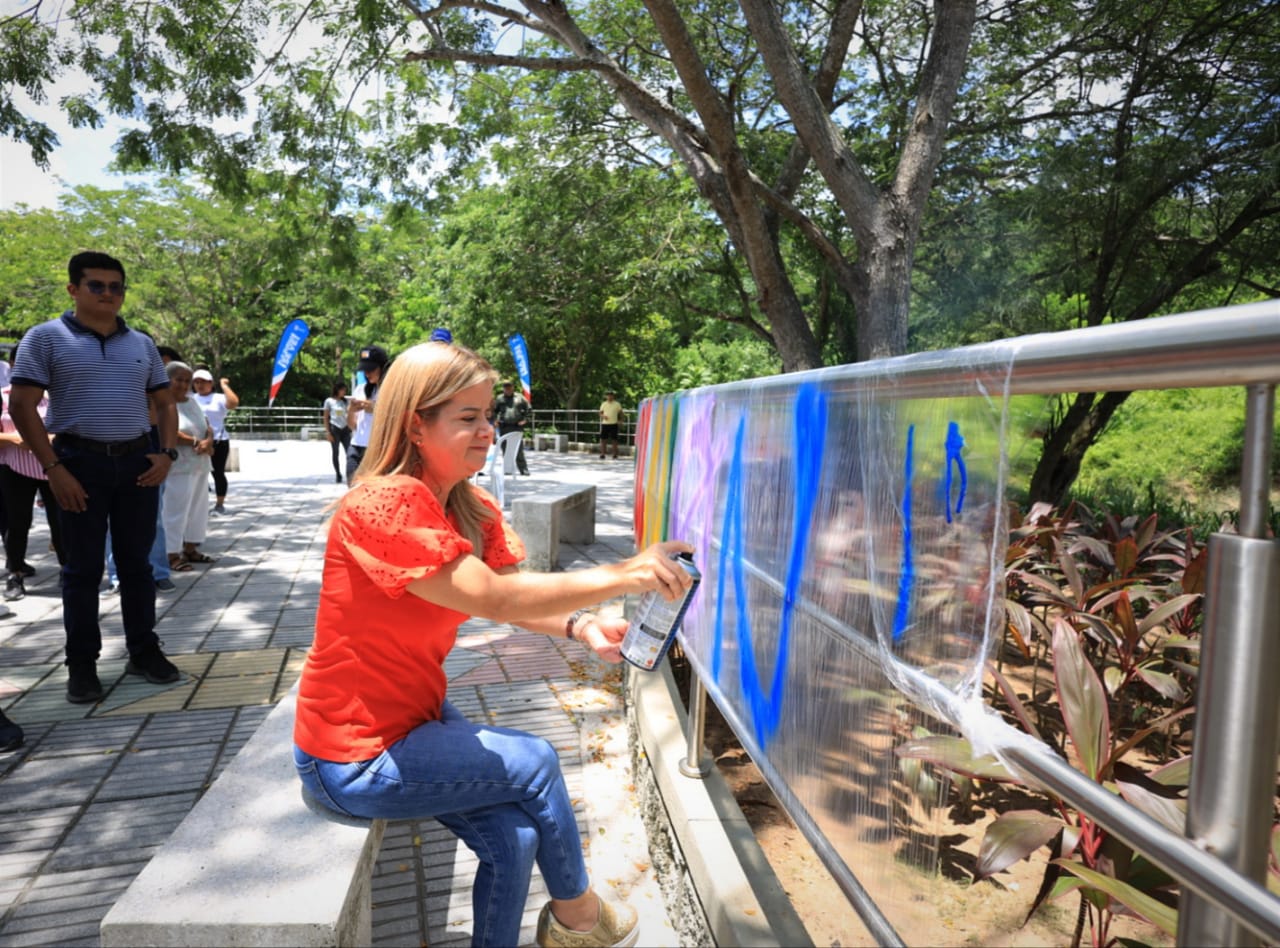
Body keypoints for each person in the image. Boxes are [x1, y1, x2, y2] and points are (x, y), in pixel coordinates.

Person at [291, 342, 692, 948]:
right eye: (467, 417)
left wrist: (581, 627)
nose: (487, 431)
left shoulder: (466, 504)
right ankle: (579, 918)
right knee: (535, 762)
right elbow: (495, 601)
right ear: (414, 425)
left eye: (489, 415)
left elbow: (509, 590)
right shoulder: (381, 503)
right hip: (351, 755)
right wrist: (628, 573)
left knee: (516, 839)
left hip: (414, 720)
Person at [9, 251, 181, 704]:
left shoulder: (141, 344)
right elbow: (22, 405)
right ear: (73, 289)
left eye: (116, 287)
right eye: (97, 285)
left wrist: (164, 454)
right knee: (82, 570)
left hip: (138, 465)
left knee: (137, 566)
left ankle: (143, 650)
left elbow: (164, 404)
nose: (108, 294)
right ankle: (81, 665)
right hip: (76, 464)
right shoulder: (44, 339)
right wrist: (53, 469)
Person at [0, 372, 65, 601]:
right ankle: (15, 574)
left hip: (53, 467)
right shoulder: (4, 396)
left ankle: (67, 571)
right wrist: (12, 439)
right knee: (17, 523)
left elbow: (72, 427)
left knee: (60, 522)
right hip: (15, 467)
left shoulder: (58, 395)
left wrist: (44, 439)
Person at [162, 362, 215, 571]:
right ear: (168, 381)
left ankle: (191, 547)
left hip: (200, 464)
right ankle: (171, 553)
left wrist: (209, 440)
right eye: (179, 380)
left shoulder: (192, 402)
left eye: (187, 380)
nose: (184, 385)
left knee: (198, 510)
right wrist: (194, 442)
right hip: (177, 466)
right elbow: (168, 430)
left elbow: (207, 425)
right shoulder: (163, 403)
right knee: (176, 510)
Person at [191, 369, 239, 514]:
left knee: (217, 473)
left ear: (211, 383)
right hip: (197, 441)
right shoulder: (191, 398)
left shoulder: (218, 397)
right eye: (197, 382)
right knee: (197, 473)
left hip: (219, 440)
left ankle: (219, 503)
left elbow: (233, 403)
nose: (200, 385)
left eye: (203, 382)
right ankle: (198, 504)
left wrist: (224, 385)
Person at [346, 344, 389, 485]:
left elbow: (398, 418)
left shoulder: (391, 390)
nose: (367, 374)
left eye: (371, 369)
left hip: (378, 450)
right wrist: (351, 410)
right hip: (356, 447)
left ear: (383, 368)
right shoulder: (360, 389)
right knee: (352, 492)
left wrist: (376, 409)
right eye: (364, 370)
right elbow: (352, 426)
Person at [493, 379, 530, 476]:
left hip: (516, 426)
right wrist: (495, 421)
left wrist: (525, 420)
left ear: (513, 387)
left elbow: (529, 409)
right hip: (504, 426)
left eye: (509, 387)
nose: (507, 389)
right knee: (505, 448)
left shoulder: (520, 398)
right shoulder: (499, 398)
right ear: (503, 388)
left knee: (519, 448)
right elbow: (494, 411)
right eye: (505, 387)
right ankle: (508, 469)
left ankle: (523, 469)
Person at [322, 382, 350, 483]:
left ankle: (350, 473)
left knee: (349, 452)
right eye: (342, 390)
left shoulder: (345, 401)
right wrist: (328, 432)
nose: (344, 392)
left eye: (345, 390)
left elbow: (350, 414)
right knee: (335, 452)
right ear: (337, 390)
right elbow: (325, 417)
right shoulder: (329, 401)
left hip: (345, 429)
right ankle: (338, 474)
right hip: (335, 429)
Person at [598, 389, 624, 460]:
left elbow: (621, 413)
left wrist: (621, 420)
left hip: (614, 424)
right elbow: (600, 413)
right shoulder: (603, 404)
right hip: (605, 424)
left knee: (614, 440)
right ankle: (603, 454)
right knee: (603, 439)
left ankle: (615, 454)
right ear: (606, 396)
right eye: (608, 395)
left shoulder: (617, 404)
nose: (609, 397)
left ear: (613, 396)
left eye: (611, 395)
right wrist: (603, 416)